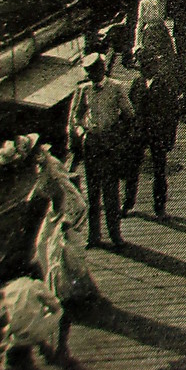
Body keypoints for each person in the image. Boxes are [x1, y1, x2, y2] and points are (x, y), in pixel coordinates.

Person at [68, 53, 133, 249]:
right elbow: (76, 117)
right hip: (92, 144)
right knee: (92, 191)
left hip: (109, 145)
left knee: (111, 192)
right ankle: (94, 236)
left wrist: (116, 134)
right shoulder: (83, 90)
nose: (92, 75)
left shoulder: (116, 87)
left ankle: (115, 234)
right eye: (89, 72)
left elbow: (129, 113)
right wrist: (81, 132)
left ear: (102, 69)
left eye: (95, 71)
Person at [123, 43, 181, 220]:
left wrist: (170, 137)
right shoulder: (137, 84)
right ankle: (128, 202)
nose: (145, 69)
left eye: (148, 65)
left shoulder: (165, 84)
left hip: (158, 133)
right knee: (132, 169)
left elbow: (172, 113)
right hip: (139, 132)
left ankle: (159, 206)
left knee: (159, 171)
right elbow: (130, 108)